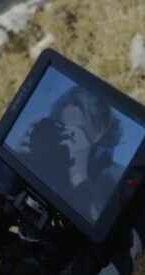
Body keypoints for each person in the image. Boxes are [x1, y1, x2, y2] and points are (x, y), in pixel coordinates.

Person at [19, 87, 125, 221]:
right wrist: (20, 162)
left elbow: (103, 229)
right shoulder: (52, 163)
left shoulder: (114, 177)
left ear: (100, 131)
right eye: (60, 128)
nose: (65, 139)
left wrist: (79, 175)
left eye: (75, 131)